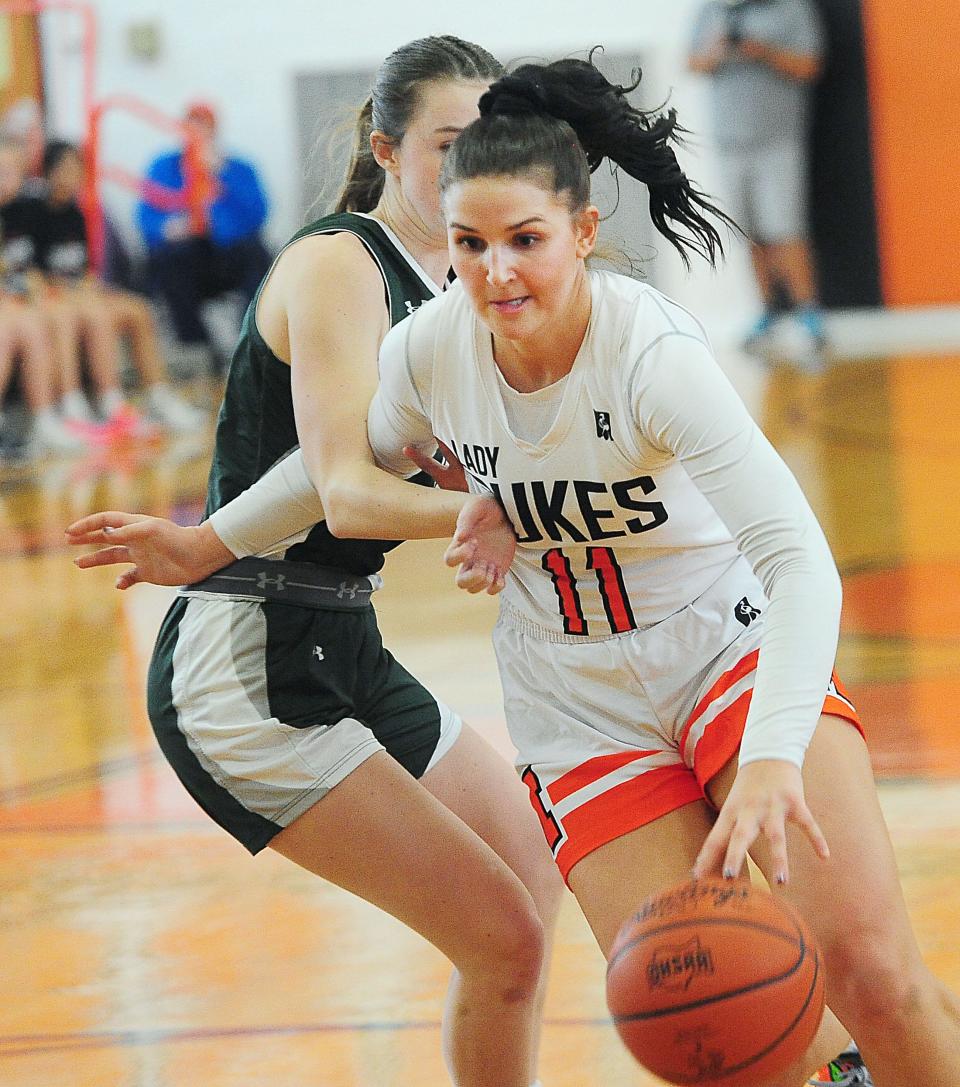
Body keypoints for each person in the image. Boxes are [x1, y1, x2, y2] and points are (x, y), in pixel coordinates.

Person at [69, 54, 960, 1087]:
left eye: (527, 241)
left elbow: (802, 561)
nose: (497, 273)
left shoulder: (650, 356)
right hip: (576, 702)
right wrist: (208, 543)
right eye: (471, 244)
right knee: (709, 1029)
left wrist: (769, 755)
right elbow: (333, 473)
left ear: (582, 232)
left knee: (874, 977)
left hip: (723, 649)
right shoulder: (432, 349)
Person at [68, 36, 564, 1087]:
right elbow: (343, 489)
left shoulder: (450, 294)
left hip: (342, 635)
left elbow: (333, 486)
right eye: (447, 141)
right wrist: (499, 509)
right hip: (248, 665)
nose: (470, 161)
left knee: (531, 866)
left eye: (490, 142)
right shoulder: (342, 263)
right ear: (386, 147)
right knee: (501, 938)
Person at [688, 0, 827, 367]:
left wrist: (761, 51)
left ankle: (808, 316)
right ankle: (768, 314)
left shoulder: (791, 9)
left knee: (785, 229)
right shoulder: (713, 10)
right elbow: (693, 62)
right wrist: (719, 50)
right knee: (747, 232)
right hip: (729, 141)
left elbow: (809, 65)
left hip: (777, 140)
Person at [35, 140, 207, 437]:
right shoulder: (33, 214)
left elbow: (86, 271)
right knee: (96, 315)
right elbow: (32, 271)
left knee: (138, 310)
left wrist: (94, 288)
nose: (74, 175)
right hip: (56, 299)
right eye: (66, 168)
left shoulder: (81, 213)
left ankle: (158, 394)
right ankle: (105, 400)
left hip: (83, 293)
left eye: (78, 167)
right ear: (49, 173)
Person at [135, 101, 272, 370]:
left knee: (257, 254)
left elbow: (257, 215)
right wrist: (169, 228)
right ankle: (197, 346)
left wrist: (221, 176)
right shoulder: (164, 168)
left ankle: (252, 343)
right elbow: (147, 216)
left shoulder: (238, 168)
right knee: (167, 258)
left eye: (204, 126)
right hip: (188, 259)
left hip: (228, 254)